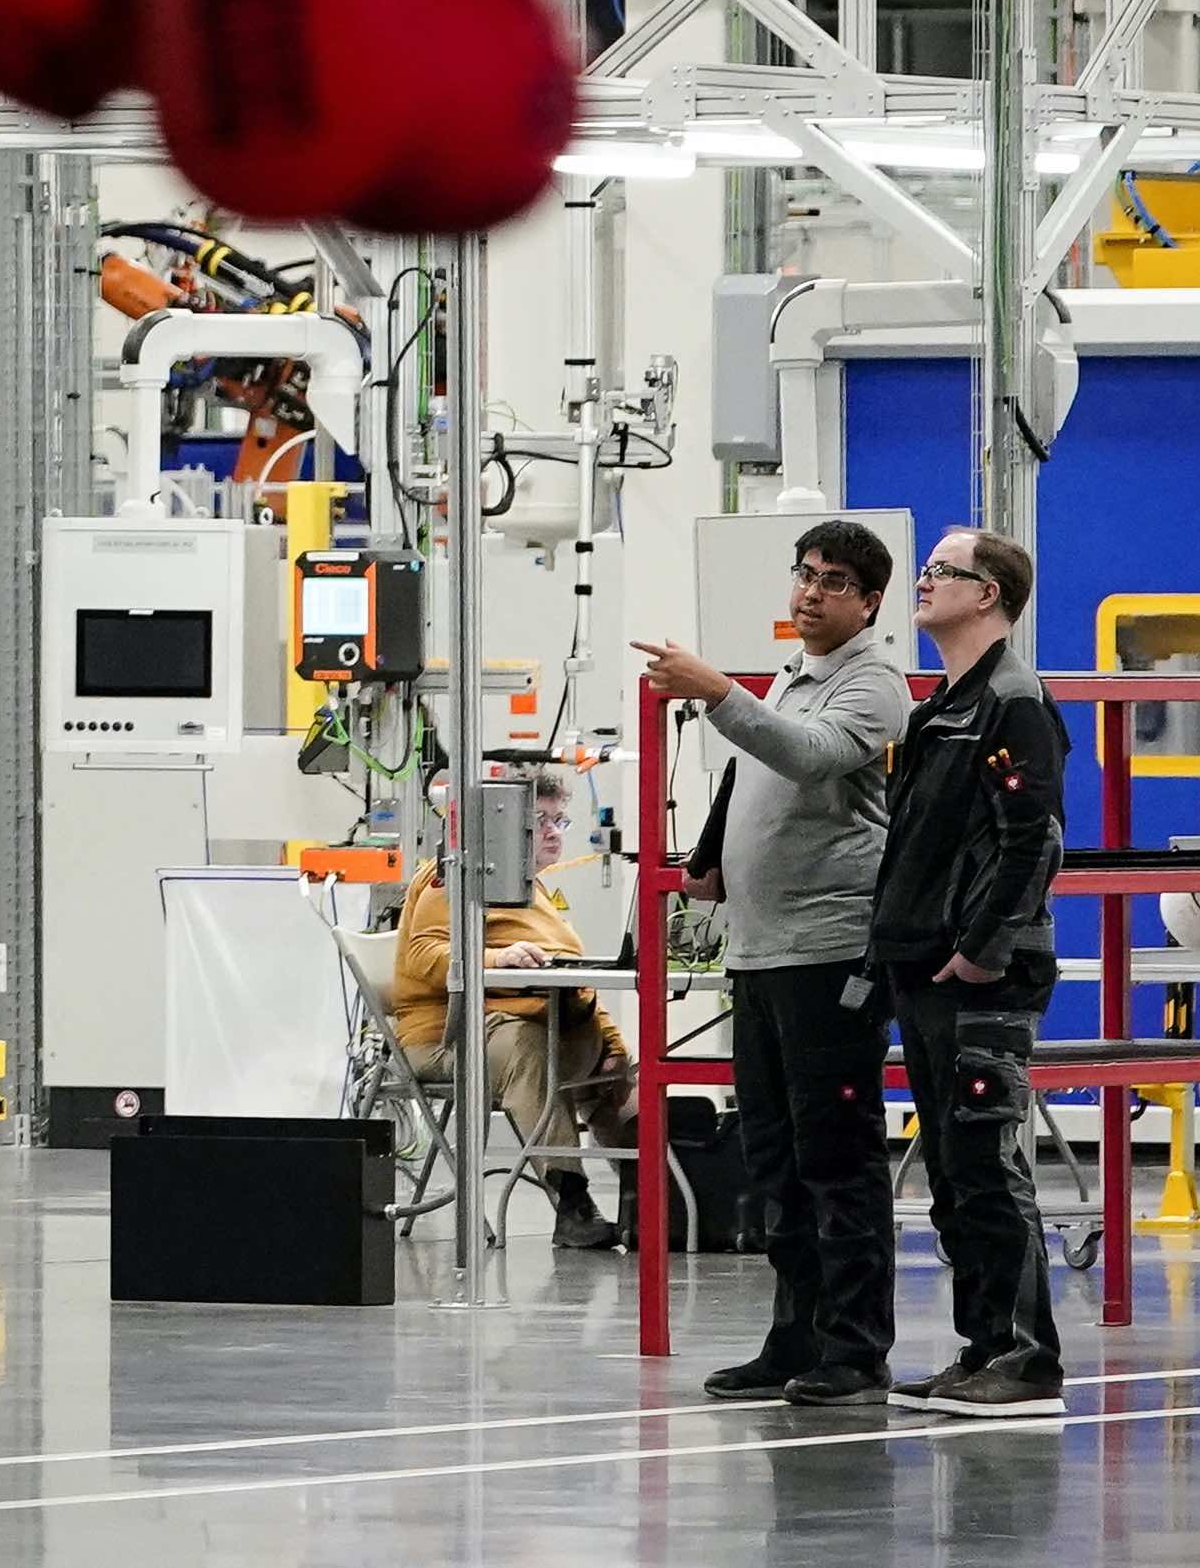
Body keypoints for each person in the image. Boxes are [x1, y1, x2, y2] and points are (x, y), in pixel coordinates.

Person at [645, 520, 908, 1405]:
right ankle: (793, 1334)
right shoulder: (797, 675)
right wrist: (712, 855)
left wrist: (717, 690)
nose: (808, 592)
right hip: (760, 952)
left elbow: (807, 757)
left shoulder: (872, 681)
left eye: (832, 581)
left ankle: (855, 1348)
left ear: (869, 601)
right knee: (775, 1156)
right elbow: (748, 778)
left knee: (835, 1154)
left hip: (827, 952)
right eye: (803, 574)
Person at [876, 526, 1070, 1418]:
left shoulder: (1011, 701)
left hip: (982, 974)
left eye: (940, 571)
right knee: (954, 1173)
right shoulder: (940, 705)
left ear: (986, 593)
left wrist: (983, 945)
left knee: (989, 1167)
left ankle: (1027, 1360)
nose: (922, 581)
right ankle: (982, 1346)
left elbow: (1035, 836)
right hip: (927, 967)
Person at [388, 766, 632, 1248]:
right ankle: (572, 1201)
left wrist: (612, 1043)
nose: (552, 832)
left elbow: (574, 981)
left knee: (621, 1074)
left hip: (534, 1026)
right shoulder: (451, 877)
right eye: (539, 819)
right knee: (527, 1048)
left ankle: (650, 1202)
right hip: (446, 1035)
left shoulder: (532, 889)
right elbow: (424, 954)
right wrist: (496, 957)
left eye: (559, 821)